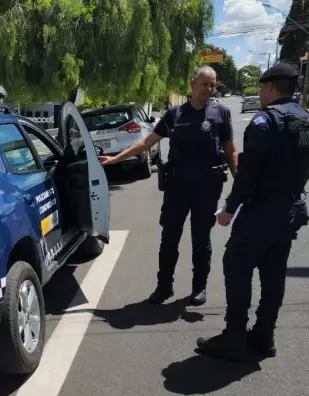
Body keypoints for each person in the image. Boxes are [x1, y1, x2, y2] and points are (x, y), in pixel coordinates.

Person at [197, 63, 309, 362]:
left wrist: (229, 209)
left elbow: (249, 173)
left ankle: (234, 337)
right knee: (274, 274)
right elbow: (308, 166)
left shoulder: (265, 121)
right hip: (290, 210)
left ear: (271, 88)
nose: (261, 92)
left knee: (236, 267)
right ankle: (265, 336)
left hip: (262, 210)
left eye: (263, 87)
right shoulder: (307, 120)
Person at [100, 66, 238, 306]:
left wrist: (242, 186)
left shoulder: (221, 113)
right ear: (192, 84)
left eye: (213, 85)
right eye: (205, 84)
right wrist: (116, 158)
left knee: (201, 239)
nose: (209, 89)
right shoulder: (174, 114)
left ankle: (199, 288)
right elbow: (147, 141)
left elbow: (231, 150)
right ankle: (164, 287)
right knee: (169, 239)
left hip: (207, 187)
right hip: (177, 187)